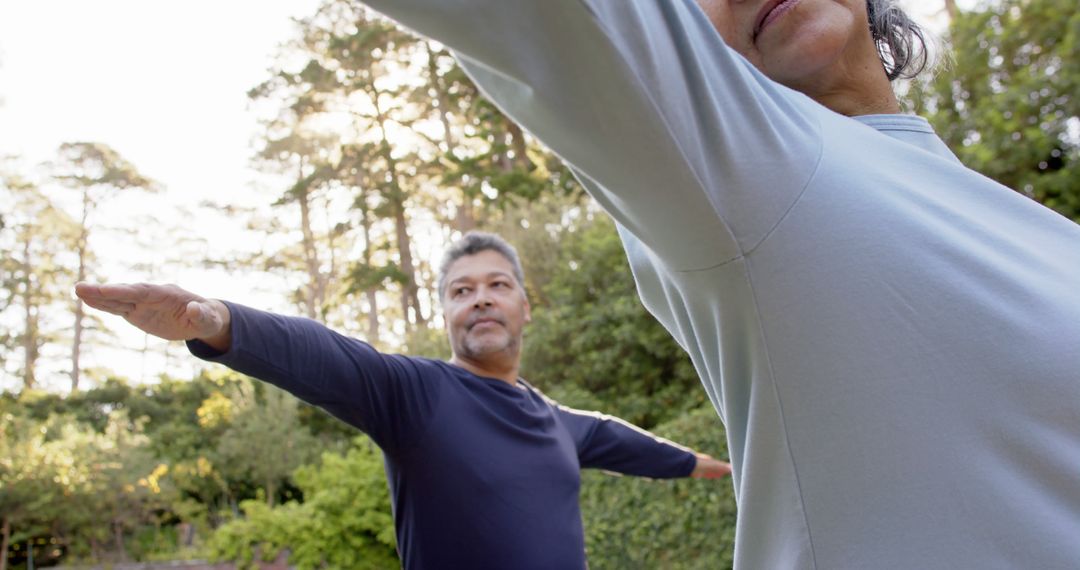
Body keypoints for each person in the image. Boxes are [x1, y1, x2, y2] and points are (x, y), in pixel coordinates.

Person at [345, 0, 1080, 568]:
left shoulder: (1041, 234)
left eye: (497, 284)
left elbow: (600, 438)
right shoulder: (749, 167)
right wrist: (227, 325)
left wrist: (697, 465)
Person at [75, 231, 731, 570]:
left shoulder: (563, 424)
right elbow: (327, 356)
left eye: (497, 284)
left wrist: (716, 468)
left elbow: (637, 446)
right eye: (461, 289)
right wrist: (218, 321)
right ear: (446, 312)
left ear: (527, 307)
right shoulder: (415, 393)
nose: (480, 297)